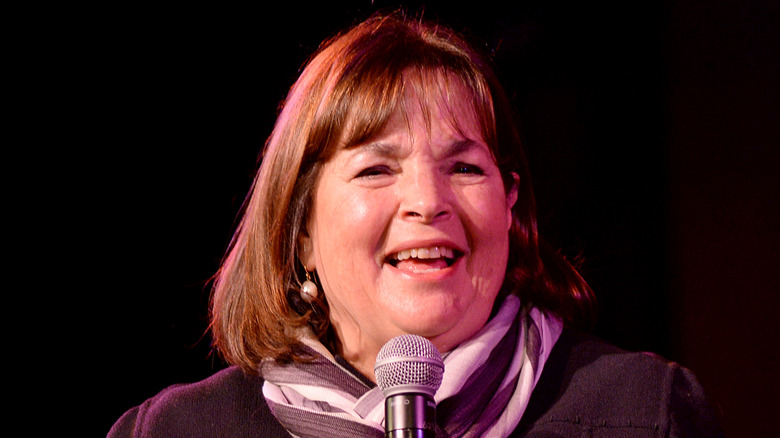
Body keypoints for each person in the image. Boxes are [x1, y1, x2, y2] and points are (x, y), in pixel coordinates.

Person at [109, 11, 722, 437]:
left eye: (463, 166)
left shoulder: (641, 412)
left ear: (510, 205)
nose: (428, 201)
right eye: (377, 169)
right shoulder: (174, 431)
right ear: (299, 230)